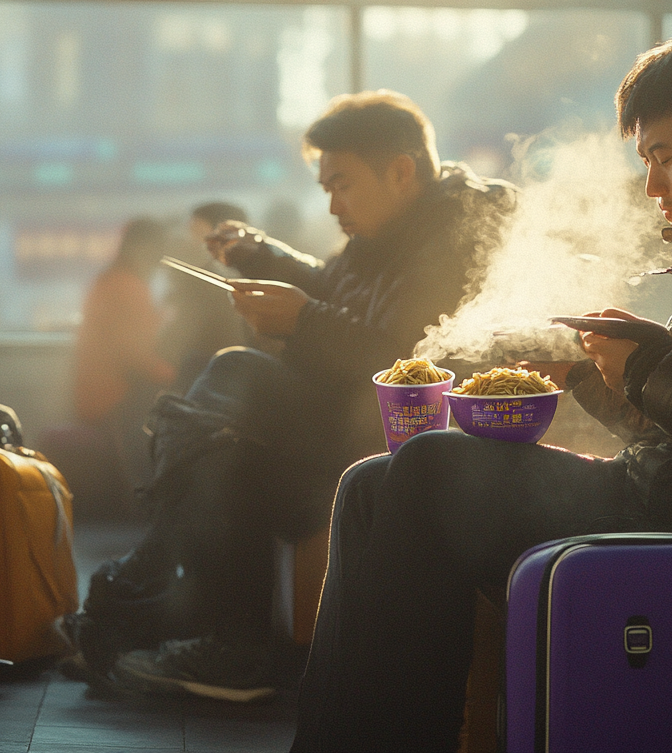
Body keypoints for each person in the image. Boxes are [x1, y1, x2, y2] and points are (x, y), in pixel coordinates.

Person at [290, 30, 672, 752]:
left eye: (663, 159)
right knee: (370, 485)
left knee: (427, 470)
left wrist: (653, 368)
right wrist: (592, 375)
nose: (652, 187)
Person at [77, 91, 516, 701]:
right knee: (226, 440)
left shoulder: (458, 236)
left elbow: (413, 361)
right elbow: (337, 291)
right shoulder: (384, 229)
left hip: (401, 437)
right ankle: (211, 638)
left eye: (342, 185)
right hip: (343, 421)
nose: (332, 205)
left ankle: (163, 603)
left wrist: (303, 319)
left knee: (238, 376)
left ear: (401, 170)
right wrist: (263, 256)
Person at [72, 217, 175, 489]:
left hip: (96, 391)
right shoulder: (128, 287)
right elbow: (133, 355)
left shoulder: (110, 281)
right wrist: (176, 377)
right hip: (115, 396)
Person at [156, 201, 252, 394]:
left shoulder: (213, 280)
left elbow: (181, 333)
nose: (188, 239)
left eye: (195, 231)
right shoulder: (200, 277)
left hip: (211, 376)